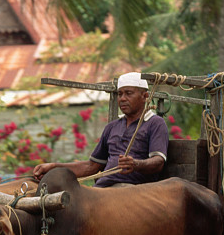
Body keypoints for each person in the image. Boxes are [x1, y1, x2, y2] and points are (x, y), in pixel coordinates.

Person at [33, 72, 169, 187]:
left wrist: (136, 164)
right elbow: (92, 167)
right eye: (120, 94)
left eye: (128, 93)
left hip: (132, 190)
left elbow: (158, 162)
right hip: (104, 188)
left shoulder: (155, 123)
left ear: (145, 96)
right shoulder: (112, 127)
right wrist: (54, 168)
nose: (122, 98)